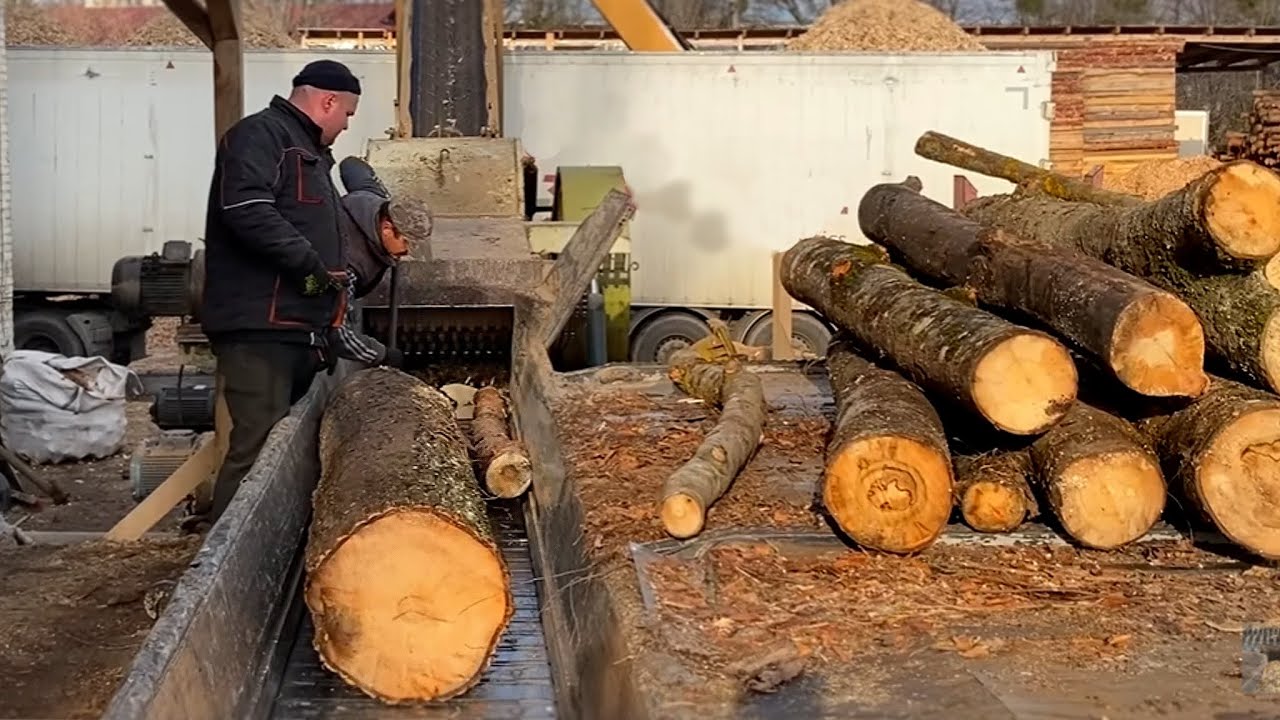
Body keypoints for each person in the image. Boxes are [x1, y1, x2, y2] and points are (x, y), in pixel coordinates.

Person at [198, 60, 397, 522]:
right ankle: (227, 555)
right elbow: (247, 210)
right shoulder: (261, 136)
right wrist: (312, 267)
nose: (346, 125)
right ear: (327, 101)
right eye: (347, 114)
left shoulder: (310, 152)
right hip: (261, 329)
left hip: (295, 328)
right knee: (258, 451)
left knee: (283, 450)